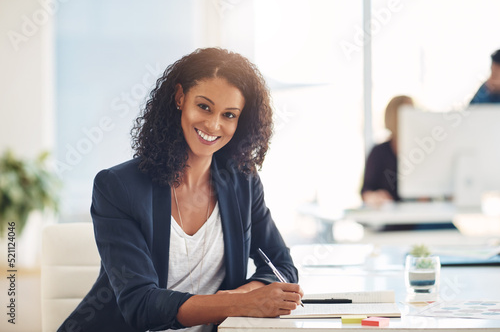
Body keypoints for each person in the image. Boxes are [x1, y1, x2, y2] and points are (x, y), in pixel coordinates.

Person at [59, 48, 303, 332]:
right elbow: (141, 304)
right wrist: (238, 304)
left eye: (229, 114)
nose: (213, 124)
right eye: (204, 107)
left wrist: (239, 295)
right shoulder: (118, 187)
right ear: (180, 98)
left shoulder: (243, 182)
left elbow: (281, 265)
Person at [360, 95, 414, 207]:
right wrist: (375, 196)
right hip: (392, 219)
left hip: (423, 215)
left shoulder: (424, 148)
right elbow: (366, 191)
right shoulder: (379, 152)